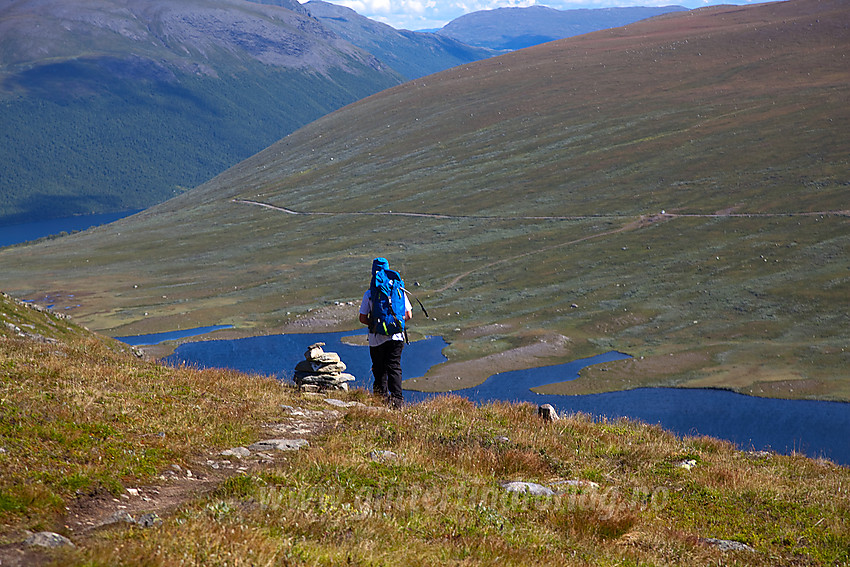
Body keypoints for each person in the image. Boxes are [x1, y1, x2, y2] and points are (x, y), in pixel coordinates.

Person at [359, 258, 412, 408]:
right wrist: (395, 325)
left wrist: (376, 325)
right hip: (397, 337)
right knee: (394, 366)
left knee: (379, 368)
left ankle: (380, 401)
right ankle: (397, 401)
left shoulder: (370, 293)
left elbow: (362, 318)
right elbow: (408, 315)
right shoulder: (398, 289)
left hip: (377, 339)